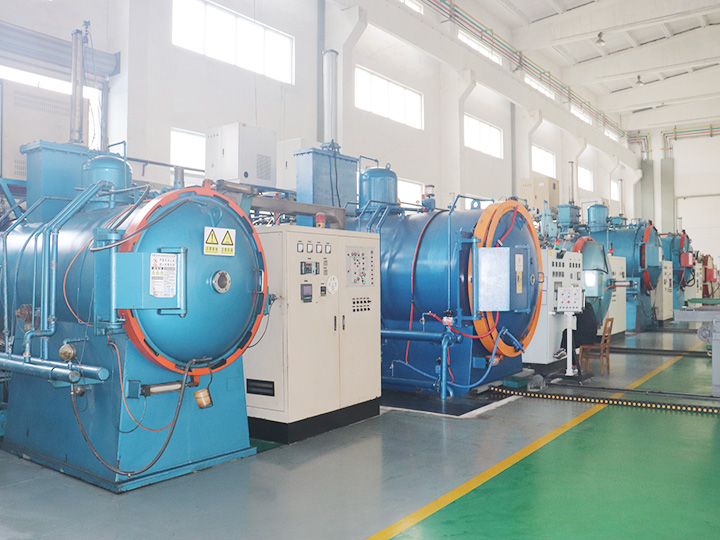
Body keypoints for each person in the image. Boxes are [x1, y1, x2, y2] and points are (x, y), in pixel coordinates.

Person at [557, 302, 599, 373]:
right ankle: (573, 364)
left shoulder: (579, 309)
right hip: (592, 338)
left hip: (584, 337)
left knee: (567, 334)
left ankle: (563, 350)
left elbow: (569, 311)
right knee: (569, 341)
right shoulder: (589, 307)